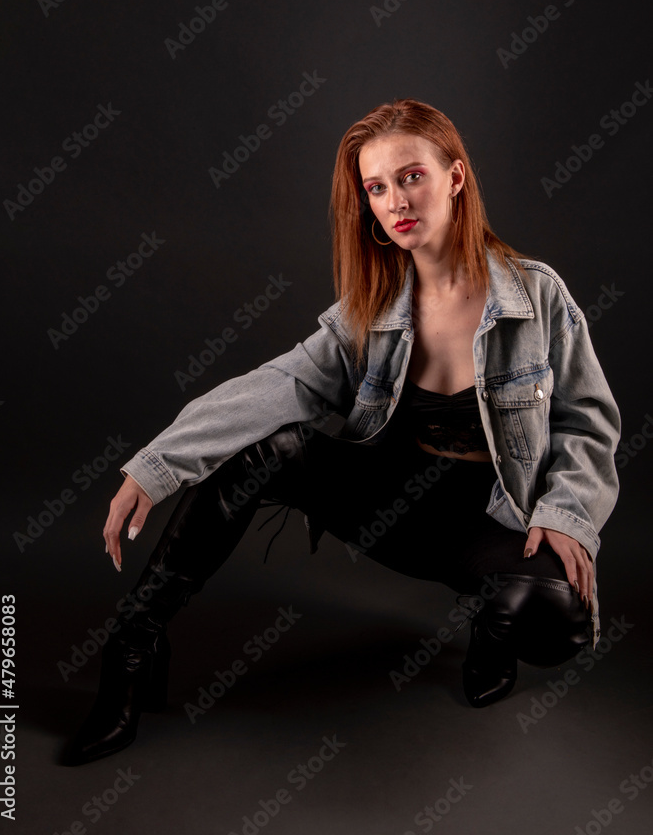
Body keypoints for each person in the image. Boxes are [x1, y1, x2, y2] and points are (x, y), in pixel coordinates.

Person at [62, 99, 620, 766]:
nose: (395, 201)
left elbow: (588, 419)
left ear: (455, 177)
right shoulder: (371, 310)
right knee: (269, 450)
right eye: (376, 188)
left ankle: (493, 629)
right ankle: (133, 645)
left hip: (496, 519)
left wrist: (567, 513)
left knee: (552, 619)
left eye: (411, 176)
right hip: (401, 505)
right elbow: (276, 386)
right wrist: (155, 465)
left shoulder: (536, 295)